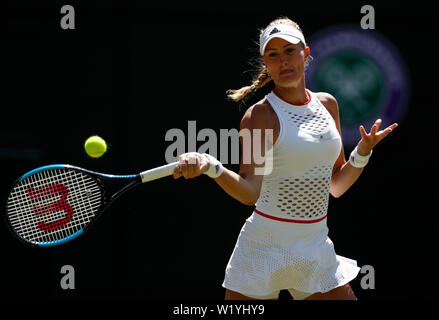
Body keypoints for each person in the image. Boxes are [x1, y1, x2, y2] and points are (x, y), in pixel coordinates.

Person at [172, 17, 398, 300]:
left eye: (290, 50)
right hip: (263, 249)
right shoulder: (259, 116)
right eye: (273, 55)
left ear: (306, 52)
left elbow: (336, 185)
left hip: (314, 248)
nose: (284, 61)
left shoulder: (328, 104)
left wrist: (362, 153)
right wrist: (211, 166)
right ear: (266, 63)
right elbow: (250, 192)